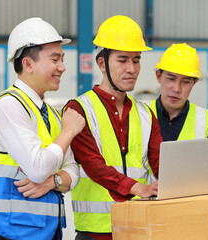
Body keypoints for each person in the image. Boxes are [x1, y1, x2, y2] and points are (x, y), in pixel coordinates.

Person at [0, 17, 85, 240]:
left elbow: (75, 171)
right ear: (27, 64)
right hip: (7, 234)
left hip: (47, 233)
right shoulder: (8, 106)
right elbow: (37, 168)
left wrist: (52, 181)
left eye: (62, 59)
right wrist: (68, 132)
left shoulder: (53, 116)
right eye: (55, 59)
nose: (62, 67)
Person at [65, 15, 162, 240]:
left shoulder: (146, 114)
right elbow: (94, 166)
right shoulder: (79, 109)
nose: (132, 69)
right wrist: (138, 188)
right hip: (94, 232)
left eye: (136, 60)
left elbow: (161, 164)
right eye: (122, 60)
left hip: (137, 230)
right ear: (102, 63)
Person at [150, 43, 208, 141]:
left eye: (185, 82)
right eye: (171, 79)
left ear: (194, 83)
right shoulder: (140, 116)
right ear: (158, 76)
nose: (176, 89)